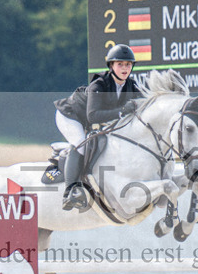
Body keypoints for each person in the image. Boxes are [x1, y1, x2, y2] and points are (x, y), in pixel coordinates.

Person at [54, 44, 142, 210]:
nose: (125, 68)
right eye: (120, 64)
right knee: (81, 144)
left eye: (128, 64)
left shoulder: (131, 86)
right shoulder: (99, 84)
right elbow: (93, 116)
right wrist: (122, 111)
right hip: (70, 116)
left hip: (86, 120)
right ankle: (70, 191)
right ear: (111, 66)